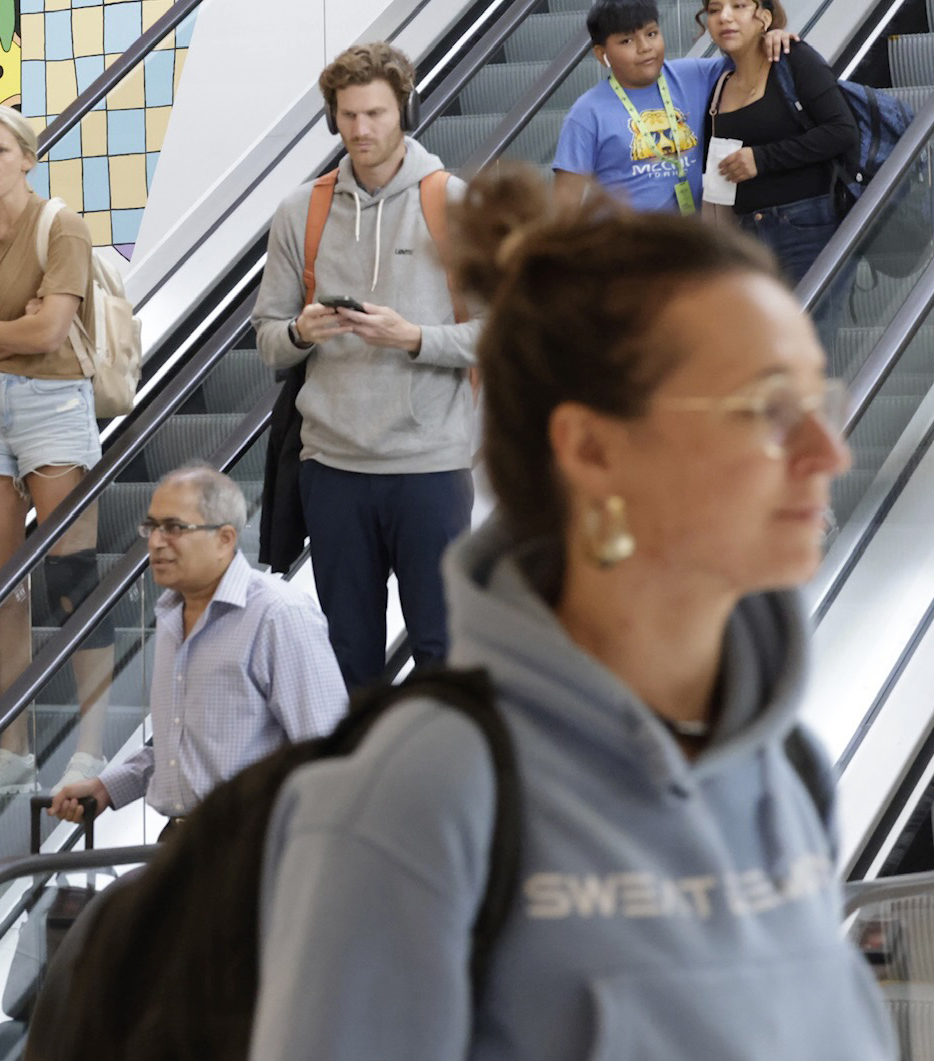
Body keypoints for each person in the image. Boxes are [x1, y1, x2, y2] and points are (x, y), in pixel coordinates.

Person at [246, 164, 894, 1060]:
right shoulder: (421, 794)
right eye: (765, 408)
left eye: (817, 400)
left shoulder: (783, 767)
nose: (827, 449)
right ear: (591, 448)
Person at [252, 42, 480, 691]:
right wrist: (301, 330)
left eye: (375, 113)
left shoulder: (453, 205)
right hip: (332, 466)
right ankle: (359, 789)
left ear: (403, 110)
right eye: (348, 115)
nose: (361, 130)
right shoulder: (301, 211)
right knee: (345, 656)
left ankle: (441, 788)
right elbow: (268, 339)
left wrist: (413, 338)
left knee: (442, 650)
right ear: (332, 118)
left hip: (428, 465)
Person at [0, 104, 110, 800]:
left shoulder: (59, 226)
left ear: (27, 158)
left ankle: (89, 750)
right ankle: (14, 751)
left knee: (71, 575)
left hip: (53, 402)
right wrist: (11, 328)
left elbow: (51, 333)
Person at [46, 466, 346, 835]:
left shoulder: (278, 615)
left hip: (254, 845)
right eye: (151, 527)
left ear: (225, 538)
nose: (156, 542)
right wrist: (108, 787)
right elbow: (187, 747)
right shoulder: (173, 613)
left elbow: (329, 753)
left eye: (174, 528)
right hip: (180, 841)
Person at [553, 0, 797, 216]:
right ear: (601, 54)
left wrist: (771, 35)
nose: (645, 47)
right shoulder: (587, 112)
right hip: (624, 249)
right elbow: (565, 204)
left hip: (696, 241)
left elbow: (753, 58)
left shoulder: (696, 76)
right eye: (627, 41)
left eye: (651, 34)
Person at [701, 0, 858, 284]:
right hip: (747, 236)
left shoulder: (793, 58)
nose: (724, 17)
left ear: (764, 17)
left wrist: (761, 159)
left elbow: (842, 129)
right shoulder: (719, 84)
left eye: (739, 6)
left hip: (809, 224)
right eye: (714, 10)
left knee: (811, 330)